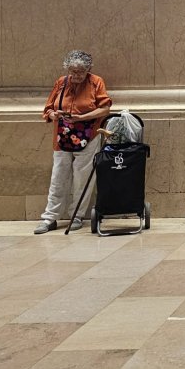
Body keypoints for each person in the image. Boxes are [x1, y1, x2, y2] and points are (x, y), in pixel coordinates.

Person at [35, 51, 112, 234]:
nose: (76, 76)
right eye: (73, 72)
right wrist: (54, 114)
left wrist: (83, 117)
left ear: (88, 70)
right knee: (58, 177)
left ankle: (76, 215)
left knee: (82, 178)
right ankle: (50, 218)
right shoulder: (61, 82)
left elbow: (105, 108)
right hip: (62, 137)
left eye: (80, 72)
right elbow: (48, 109)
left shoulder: (96, 82)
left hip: (88, 136)